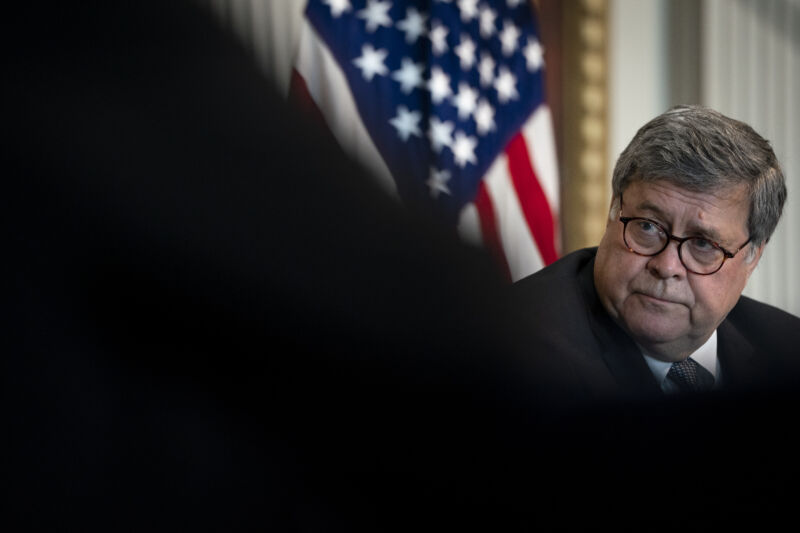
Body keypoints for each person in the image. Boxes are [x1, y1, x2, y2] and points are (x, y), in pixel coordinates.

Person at [513, 104, 800, 402]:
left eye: (703, 244)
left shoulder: (788, 352)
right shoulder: (520, 352)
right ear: (614, 209)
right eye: (648, 227)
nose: (666, 266)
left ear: (753, 255)